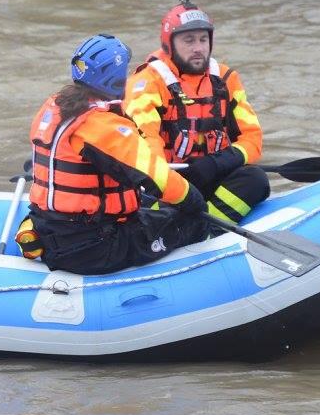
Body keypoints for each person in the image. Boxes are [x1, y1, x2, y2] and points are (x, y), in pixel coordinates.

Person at [21, 34, 217, 276]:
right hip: (95, 247)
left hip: (49, 231)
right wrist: (194, 201)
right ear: (114, 79)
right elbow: (156, 177)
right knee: (192, 220)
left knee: (147, 208)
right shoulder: (103, 126)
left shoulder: (53, 107)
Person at [125, 0, 271, 223]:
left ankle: (207, 226)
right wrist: (172, 180)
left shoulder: (225, 79)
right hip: (165, 179)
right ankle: (186, 225)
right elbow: (146, 145)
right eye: (189, 40)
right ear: (169, 45)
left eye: (203, 40)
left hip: (210, 172)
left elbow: (253, 140)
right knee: (146, 198)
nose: (198, 48)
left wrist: (217, 163)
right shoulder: (147, 83)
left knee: (256, 180)